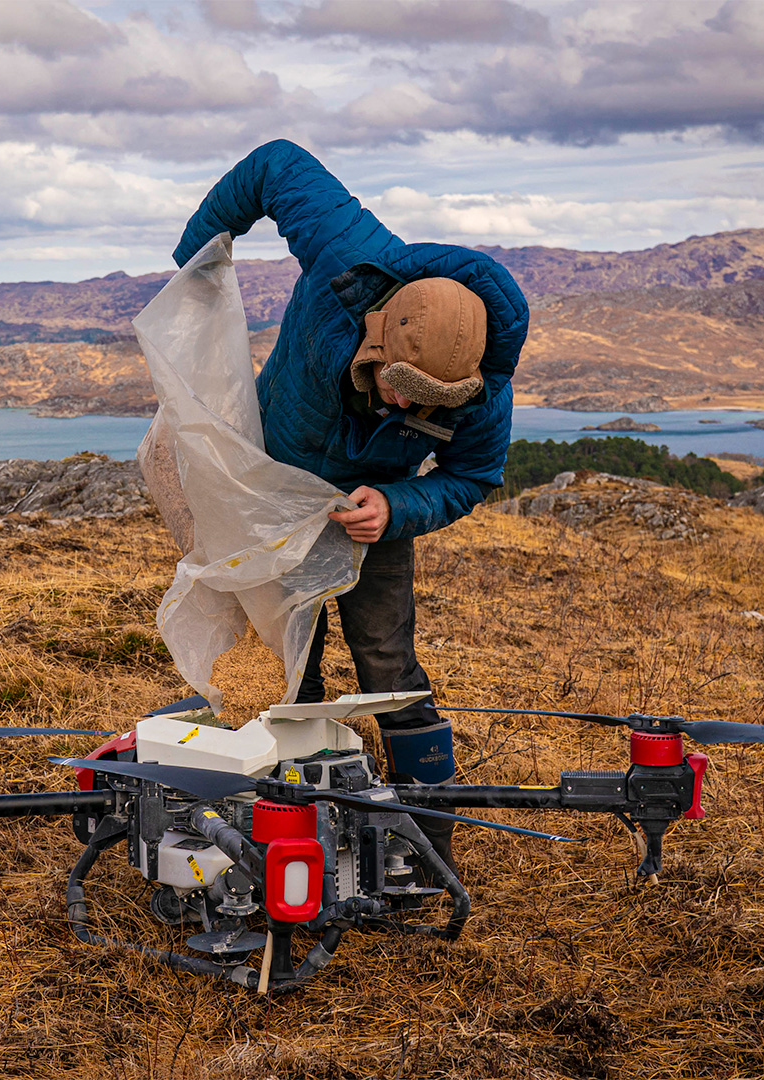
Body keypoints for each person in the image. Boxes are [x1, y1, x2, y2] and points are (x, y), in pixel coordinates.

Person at [173, 141, 528, 872]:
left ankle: (429, 847)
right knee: (293, 663)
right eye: (404, 389)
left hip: (373, 516)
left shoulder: (486, 385)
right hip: (272, 492)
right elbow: (274, 164)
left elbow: (473, 474)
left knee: (390, 668)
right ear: (383, 331)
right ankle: (294, 827)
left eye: (431, 403)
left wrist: (397, 507)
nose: (407, 406)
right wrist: (195, 264)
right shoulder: (349, 251)